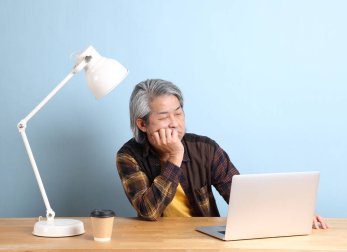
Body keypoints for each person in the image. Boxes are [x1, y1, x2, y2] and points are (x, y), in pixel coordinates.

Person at [116, 79, 328, 229]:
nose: (175, 123)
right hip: (154, 243)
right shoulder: (128, 157)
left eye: (179, 113)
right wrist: (175, 157)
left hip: (203, 241)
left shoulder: (205, 149)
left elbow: (245, 198)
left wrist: (295, 215)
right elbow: (149, 211)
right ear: (142, 124)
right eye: (164, 117)